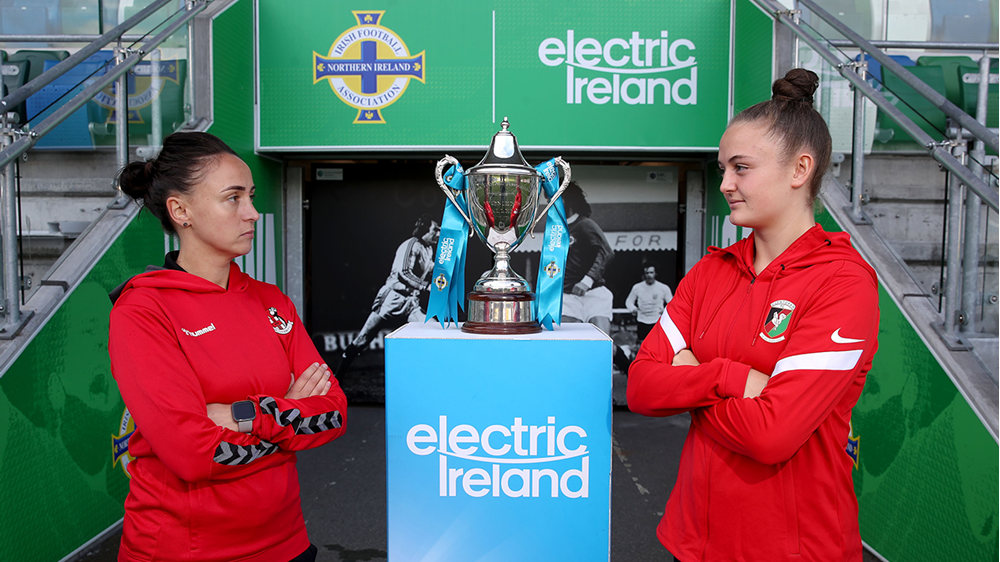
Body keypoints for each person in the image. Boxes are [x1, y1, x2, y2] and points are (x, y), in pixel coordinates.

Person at [627, 68, 879, 562]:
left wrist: (690, 377)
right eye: (723, 169)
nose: (725, 184)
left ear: (799, 169)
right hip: (691, 542)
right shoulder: (709, 272)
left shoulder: (843, 282)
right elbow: (640, 388)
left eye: (741, 168)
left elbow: (771, 435)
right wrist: (731, 376)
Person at [108, 131, 347, 562]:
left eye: (251, 196)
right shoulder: (144, 309)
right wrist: (288, 416)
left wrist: (245, 415)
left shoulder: (273, 301)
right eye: (233, 198)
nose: (253, 213)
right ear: (181, 211)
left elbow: (333, 413)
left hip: (288, 543)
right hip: (184, 551)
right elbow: (192, 455)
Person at [336, 214, 440, 375]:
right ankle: (339, 374)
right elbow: (404, 273)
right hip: (392, 297)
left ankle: (428, 372)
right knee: (363, 339)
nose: (438, 233)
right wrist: (426, 286)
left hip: (411, 301)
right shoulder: (410, 245)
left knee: (434, 330)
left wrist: (443, 267)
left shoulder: (428, 248)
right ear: (425, 230)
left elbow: (427, 266)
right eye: (435, 229)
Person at [560, 182, 630, 371]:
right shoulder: (557, 230)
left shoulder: (584, 224)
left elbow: (606, 252)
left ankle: (630, 371)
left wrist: (587, 280)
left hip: (593, 293)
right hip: (567, 296)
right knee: (570, 345)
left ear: (566, 200)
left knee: (602, 347)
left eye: (556, 198)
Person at [624, 263, 673, 343]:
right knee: (642, 344)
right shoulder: (637, 287)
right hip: (642, 320)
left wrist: (665, 311)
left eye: (651, 272)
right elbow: (629, 301)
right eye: (647, 273)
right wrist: (633, 309)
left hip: (657, 321)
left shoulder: (663, 288)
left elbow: (672, 304)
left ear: (655, 273)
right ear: (644, 274)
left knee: (657, 344)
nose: (649, 275)